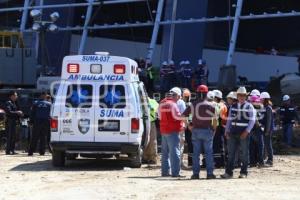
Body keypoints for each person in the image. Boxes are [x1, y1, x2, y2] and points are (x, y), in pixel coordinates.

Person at [182, 85, 217, 179]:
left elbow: (183, 116)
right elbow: (215, 120)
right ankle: (210, 174)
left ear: (197, 93)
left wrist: (189, 126)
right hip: (207, 131)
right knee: (208, 153)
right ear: (206, 94)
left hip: (196, 131)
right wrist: (214, 130)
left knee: (196, 153)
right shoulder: (211, 105)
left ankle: (195, 174)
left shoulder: (192, 104)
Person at [221, 87, 256, 179]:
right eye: (240, 95)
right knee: (231, 153)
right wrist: (227, 131)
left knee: (244, 153)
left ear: (246, 96)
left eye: (243, 95)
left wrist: (247, 131)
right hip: (232, 132)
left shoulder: (249, 106)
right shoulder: (233, 106)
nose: (241, 97)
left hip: (243, 133)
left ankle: (243, 172)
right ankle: (229, 173)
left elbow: (252, 120)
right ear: (237, 96)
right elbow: (229, 120)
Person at [158, 90, 183, 177]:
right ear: (173, 97)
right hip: (172, 131)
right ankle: (175, 172)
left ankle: (165, 172)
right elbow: (178, 116)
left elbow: (159, 116)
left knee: (165, 153)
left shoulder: (161, 104)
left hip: (163, 130)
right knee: (174, 152)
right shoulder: (173, 104)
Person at [170, 87, 187, 169]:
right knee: (178, 146)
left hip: (173, 127)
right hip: (177, 127)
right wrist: (185, 125)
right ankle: (178, 163)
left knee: (175, 145)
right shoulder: (181, 102)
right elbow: (184, 115)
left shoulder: (167, 102)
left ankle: (175, 163)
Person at [213, 90, 227, 168]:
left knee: (218, 145)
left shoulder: (220, 105)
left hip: (219, 127)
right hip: (220, 126)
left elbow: (217, 115)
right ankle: (220, 162)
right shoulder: (221, 104)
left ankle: (219, 163)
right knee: (219, 145)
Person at [248, 95, 264, 167]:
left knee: (258, 146)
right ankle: (253, 162)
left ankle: (259, 162)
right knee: (253, 147)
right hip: (253, 130)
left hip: (257, 130)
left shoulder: (261, 109)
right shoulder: (252, 109)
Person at [143, 96, 159, 164]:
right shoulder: (140, 101)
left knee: (152, 140)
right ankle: (145, 157)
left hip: (151, 122)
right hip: (143, 122)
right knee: (144, 140)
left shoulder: (152, 101)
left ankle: (153, 158)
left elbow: (156, 110)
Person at [260, 92, 274, 167]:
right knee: (266, 144)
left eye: (261, 99)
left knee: (268, 144)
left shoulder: (268, 108)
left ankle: (270, 160)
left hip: (268, 129)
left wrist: (267, 131)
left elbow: (269, 120)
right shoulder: (264, 107)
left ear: (265, 99)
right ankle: (266, 158)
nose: (260, 100)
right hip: (265, 129)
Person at [182, 88, 193, 167]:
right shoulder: (191, 105)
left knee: (188, 144)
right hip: (187, 126)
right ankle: (190, 161)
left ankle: (190, 161)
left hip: (184, 126)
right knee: (190, 144)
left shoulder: (179, 103)